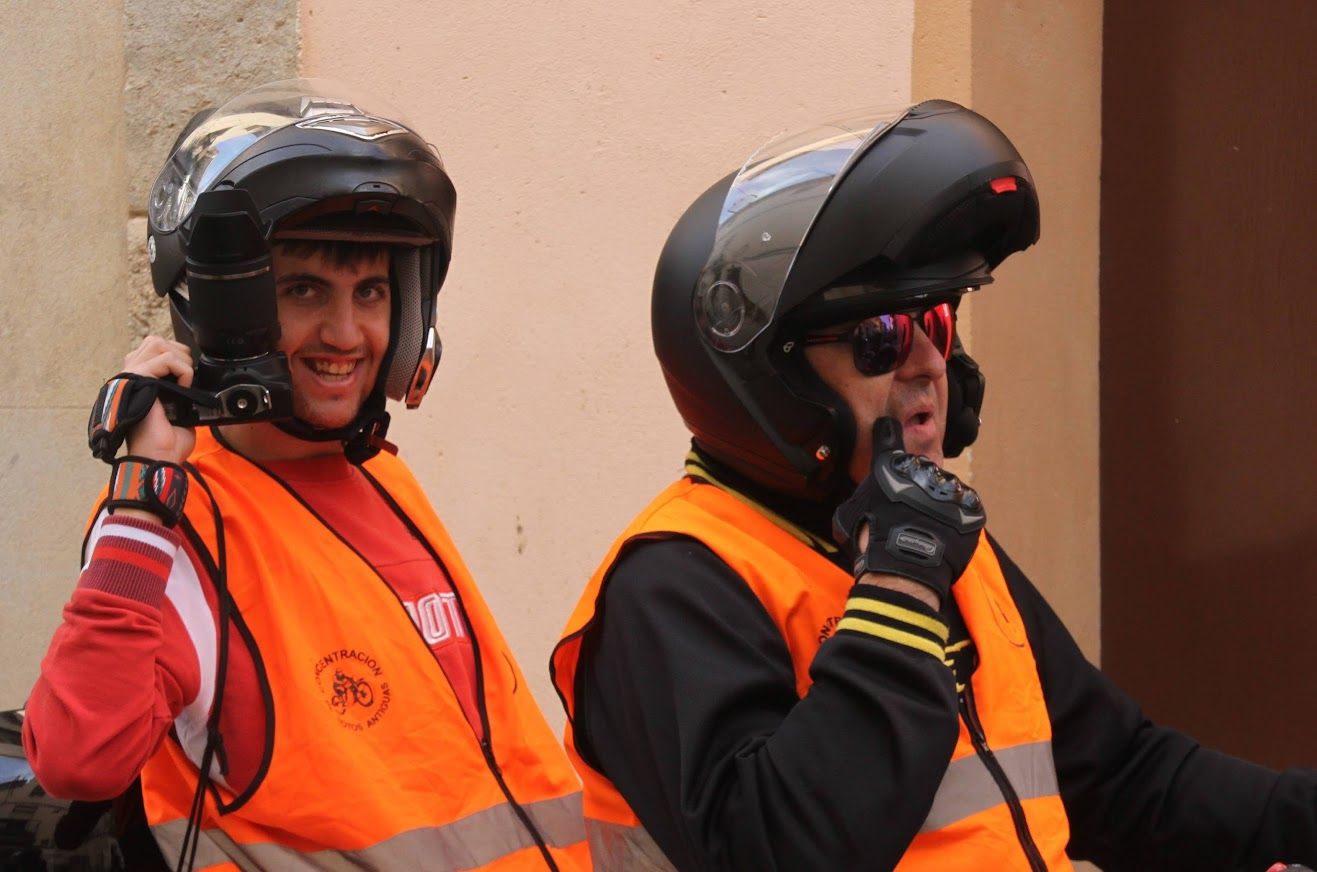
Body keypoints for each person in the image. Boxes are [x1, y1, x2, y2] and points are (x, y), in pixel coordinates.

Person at [550, 100, 1317, 870]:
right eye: (878, 338)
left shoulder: (933, 544)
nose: (926, 364)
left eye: (936, 323)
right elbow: (776, 848)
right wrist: (900, 589)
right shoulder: (674, 586)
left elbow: (1125, 783)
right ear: (768, 376)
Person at [24, 80, 587, 871]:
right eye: (303, 290)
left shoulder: (383, 480)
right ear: (224, 307)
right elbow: (78, 759)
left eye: (372, 292)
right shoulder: (183, 524)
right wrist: (141, 502)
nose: (347, 333)